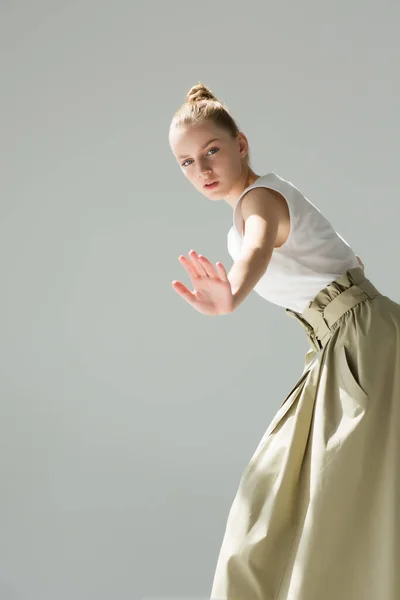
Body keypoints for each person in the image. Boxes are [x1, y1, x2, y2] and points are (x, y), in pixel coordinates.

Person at [169, 83, 400, 600]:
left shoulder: (261, 198)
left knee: (344, 502)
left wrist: (232, 292)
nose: (203, 170)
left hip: (366, 346)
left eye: (212, 151)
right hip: (337, 348)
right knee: (276, 498)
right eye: (186, 163)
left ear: (241, 144)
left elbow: (257, 249)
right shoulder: (259, 201)